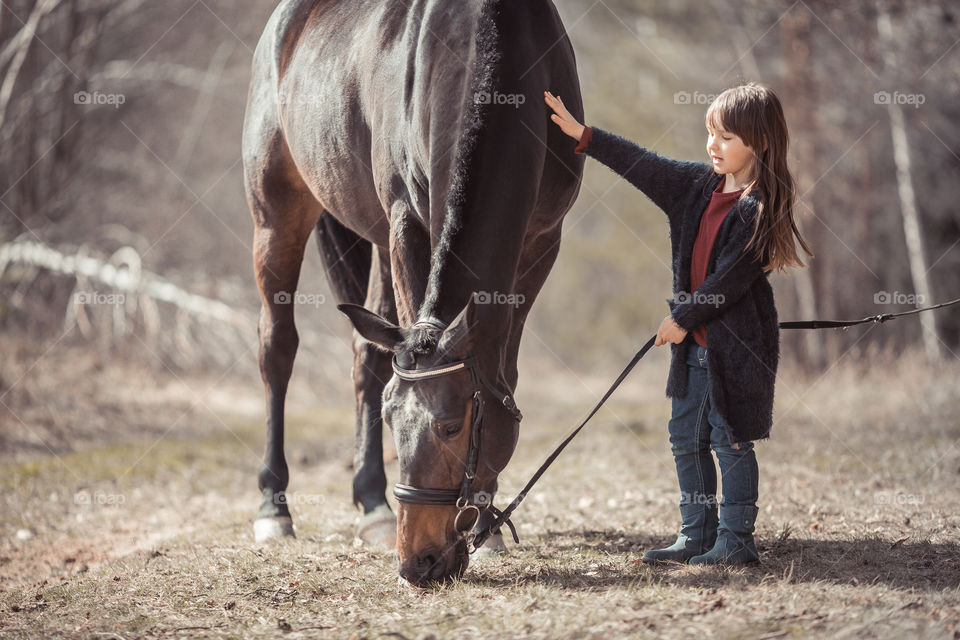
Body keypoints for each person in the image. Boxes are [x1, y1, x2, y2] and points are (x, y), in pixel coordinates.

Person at [544, 84, 813, 565]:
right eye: (710, 133)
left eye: (727, 137)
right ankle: (696, 535)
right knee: (685, 440)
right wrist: (584, 134)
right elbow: (640, 163)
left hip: (734, 351)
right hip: (693, 351)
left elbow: (726, 283)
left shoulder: (758, 210)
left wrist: (680, 319)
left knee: (729, 441)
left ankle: (736, 541)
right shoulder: (694, 187)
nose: (713, 145)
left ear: (760, 143)